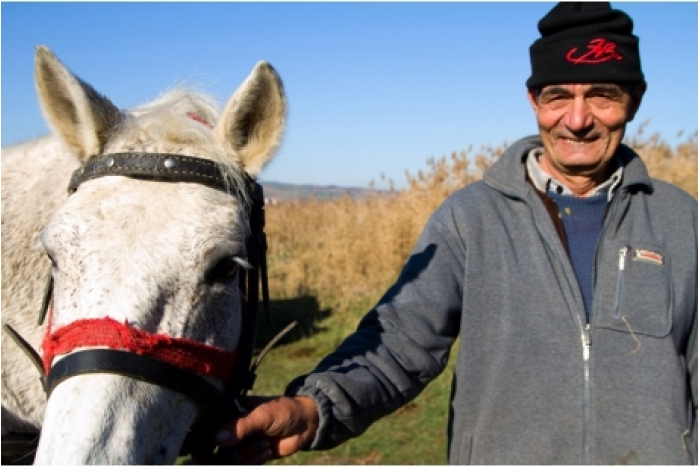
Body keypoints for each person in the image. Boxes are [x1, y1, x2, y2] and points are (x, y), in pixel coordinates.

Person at [215, 2, 698, 465]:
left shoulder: (683, 222)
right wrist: (313, 407)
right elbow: (398, 346)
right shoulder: (471, 219)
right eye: (558, 97)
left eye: (601, 95)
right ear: (534, 101)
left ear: (633, 100)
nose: (576, 119)